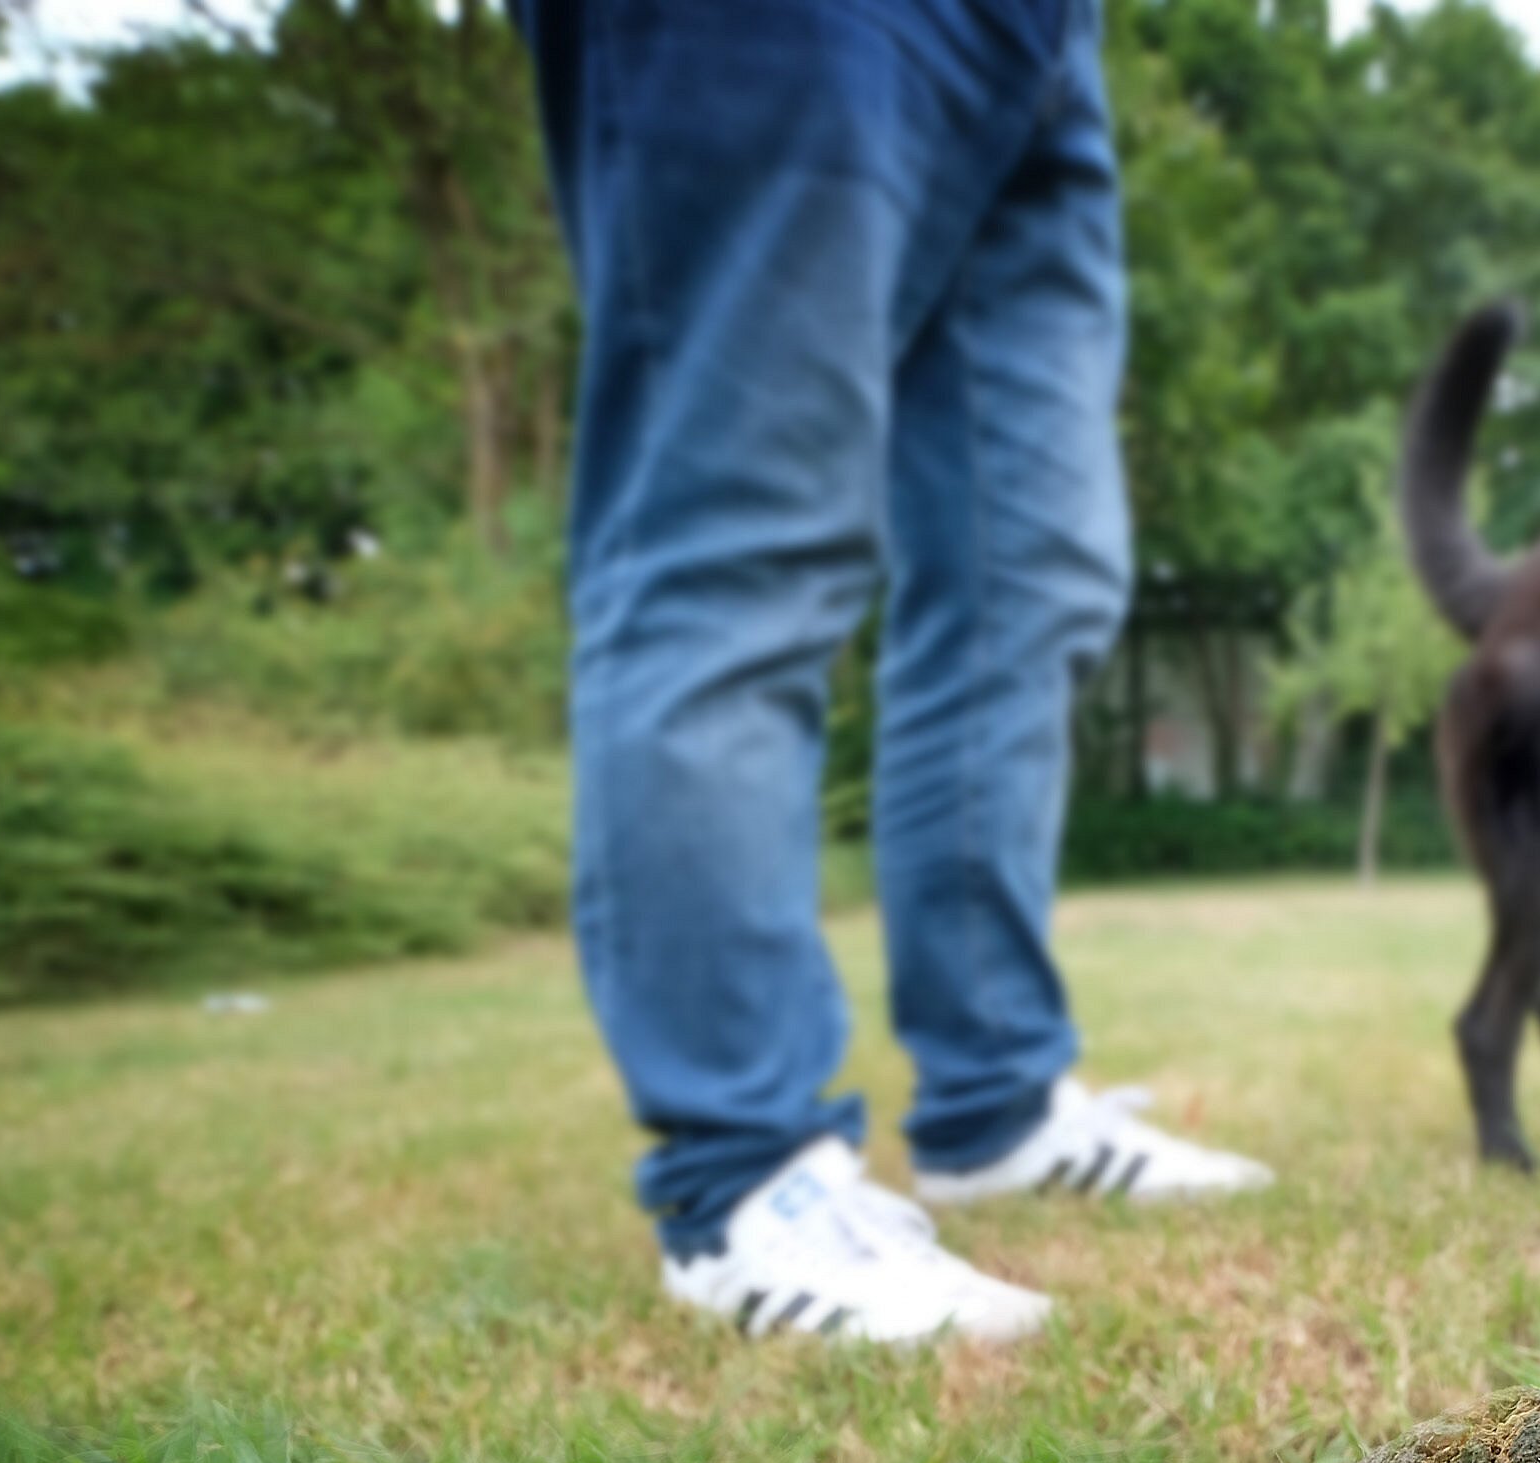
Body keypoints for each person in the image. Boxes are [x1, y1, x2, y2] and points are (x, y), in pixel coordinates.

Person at [514, 0, 1266, 1347]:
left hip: (1037, 39)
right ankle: (742, 1180)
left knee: (1034, 576)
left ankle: (998, 1106)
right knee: (746, 512)